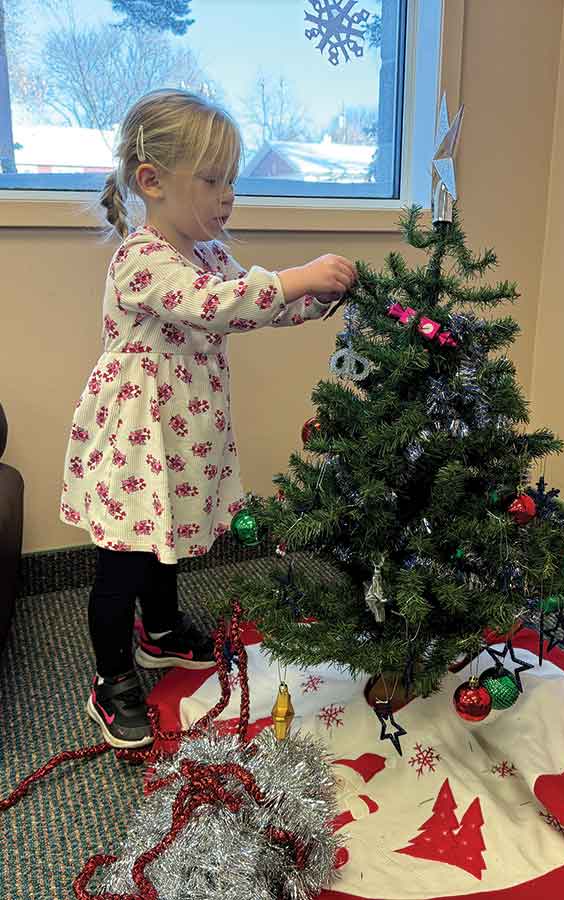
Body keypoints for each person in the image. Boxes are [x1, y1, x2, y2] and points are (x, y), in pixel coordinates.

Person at [59, 88, 357, 749]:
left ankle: (160, 633)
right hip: (135, 438)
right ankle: (111, 678)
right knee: (123, 562)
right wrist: (298, 275)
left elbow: (252, 307)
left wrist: (315, 300)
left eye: (232, 181)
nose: (227, 197)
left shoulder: (210, 255)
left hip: (182, 434)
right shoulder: (142, 257)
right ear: (152, 182)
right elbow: (211, 306)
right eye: (213, 179)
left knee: (166, 536)